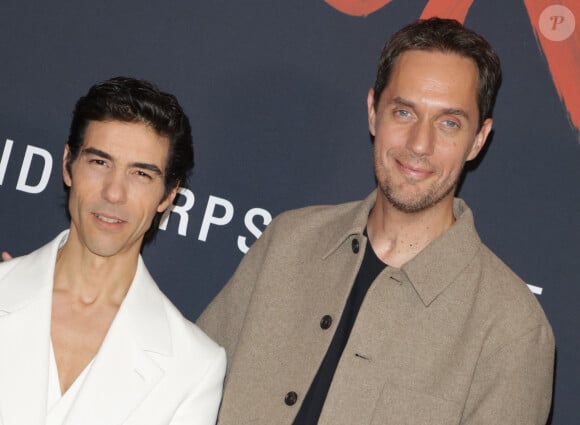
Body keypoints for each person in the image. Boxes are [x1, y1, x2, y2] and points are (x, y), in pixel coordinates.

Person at [197, 18, 555, 424]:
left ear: (478, 139)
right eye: (404, 112)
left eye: (449, 122)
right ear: (373, 112)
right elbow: (185, 391)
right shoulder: (289, 241)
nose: (420, 144)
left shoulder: (512, 330)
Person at [0, 77, 226, 424]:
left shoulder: (194, 367)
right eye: (100, 163)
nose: (114, 193)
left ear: (168, 196)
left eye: (141, 174)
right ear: (68, 164)